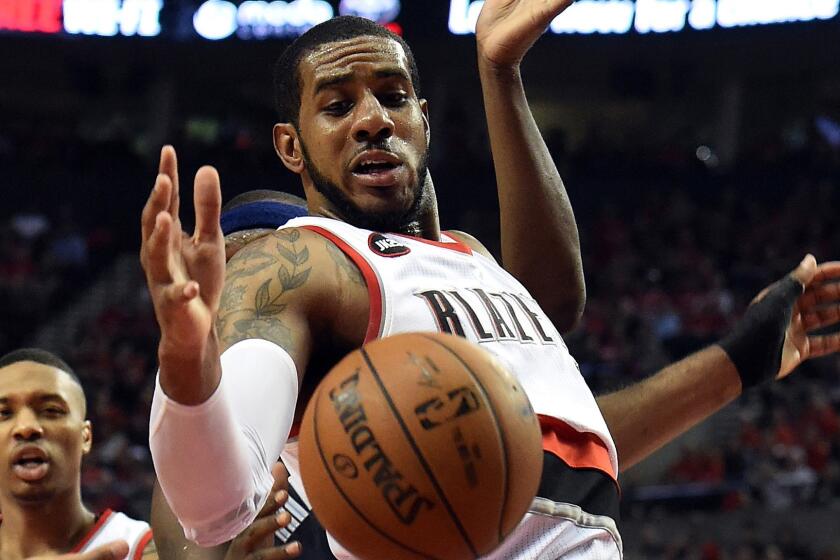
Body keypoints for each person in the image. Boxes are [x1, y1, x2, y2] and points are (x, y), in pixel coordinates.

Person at [140, 3, 840, 559]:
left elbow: (550, 434)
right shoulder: (300, 263)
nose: (374, 120)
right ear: (290, 147)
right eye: (336, 105)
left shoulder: (462, 255)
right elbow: (212, 509)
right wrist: (187, 363)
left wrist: (737, 363)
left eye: (392, 96)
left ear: (424, 117)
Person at [0, 349, 155, 560]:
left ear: (86, 437)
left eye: (51, 410)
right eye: (4, 414)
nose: (27, 427)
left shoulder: (142, 547)